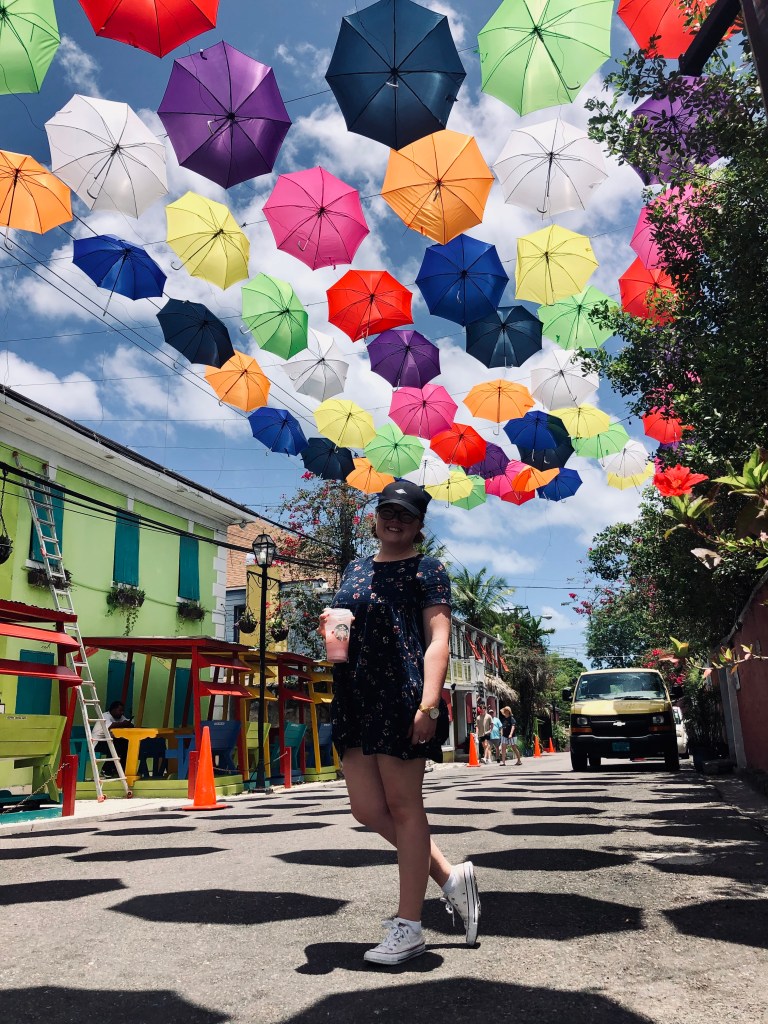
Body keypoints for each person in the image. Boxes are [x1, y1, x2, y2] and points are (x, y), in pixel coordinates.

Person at [320, 479, 480, 966]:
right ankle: (452, 877)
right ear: (375, 516)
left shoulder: (427, 569)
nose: (395, 519)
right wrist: (330, 624)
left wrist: (429, 704)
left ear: (419, 525)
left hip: (400, 696)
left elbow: (438, 639)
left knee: (405, 807)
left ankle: (410, 927)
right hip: (353, 696)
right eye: (388, 510)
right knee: (367, 809)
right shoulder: (354, 568)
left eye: (406, 515)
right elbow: (353, 622)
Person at [91, 700, 131, 778]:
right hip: (98, 743)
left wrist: (128, 723)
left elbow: (129, 722)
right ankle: (106, 769)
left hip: (109, 741)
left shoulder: (120, 717)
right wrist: (124, 724)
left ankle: (120, 770)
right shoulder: (105, 716)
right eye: (120, 710)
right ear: (113, 710)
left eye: (123, 711)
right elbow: (111, 726)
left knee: (126, 744)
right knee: (116, 744)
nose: (122, 712)